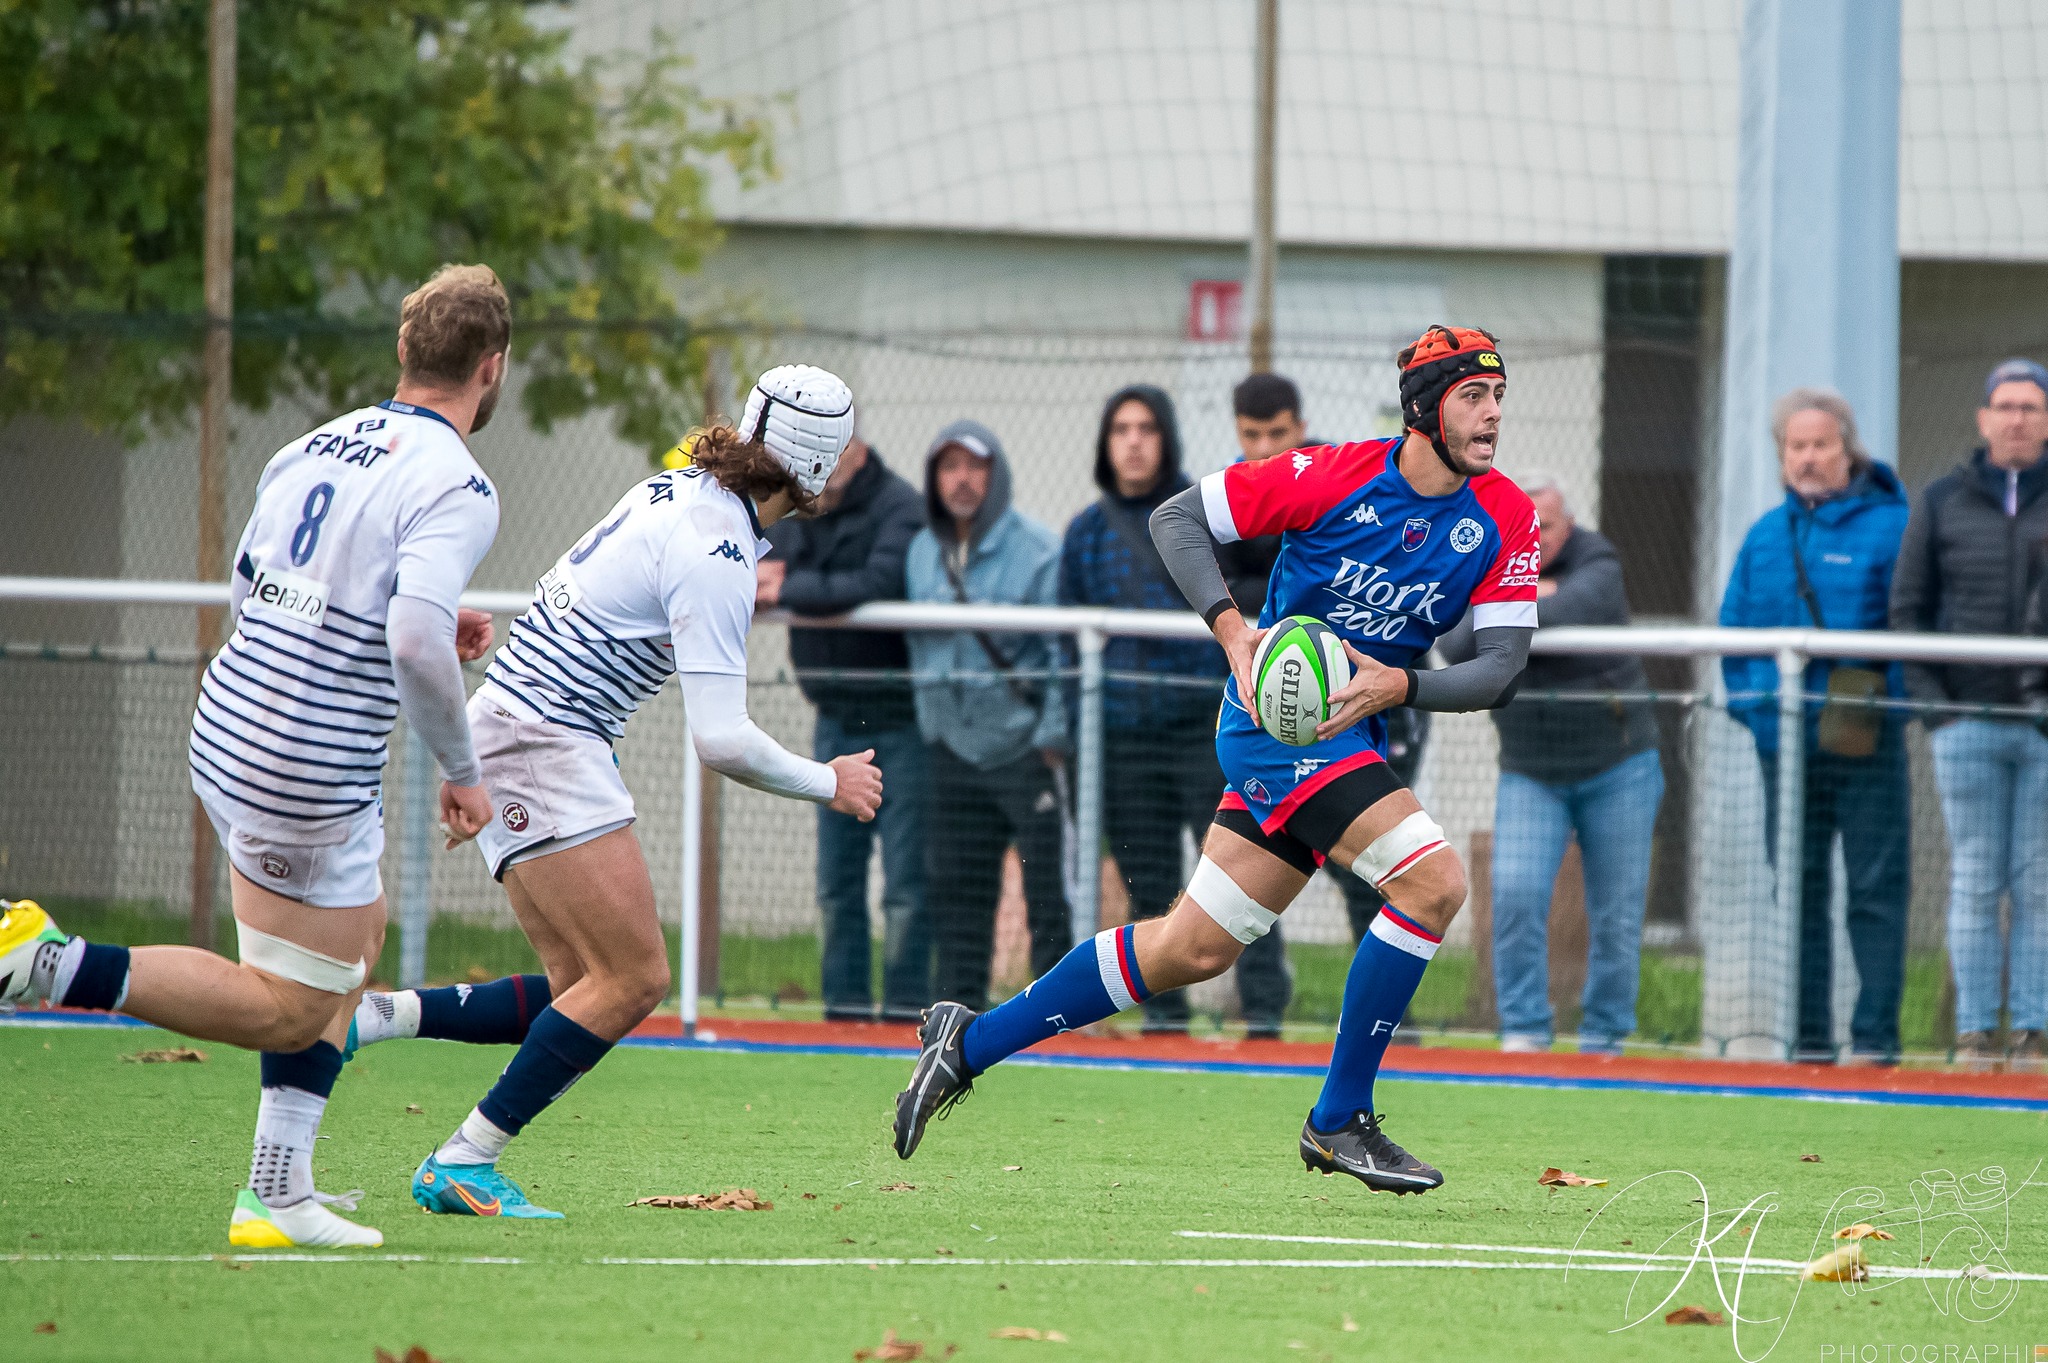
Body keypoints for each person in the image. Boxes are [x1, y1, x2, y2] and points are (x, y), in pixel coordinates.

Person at [894, 325, 1539, 1195]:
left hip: (1350, 735)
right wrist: (1233, 629)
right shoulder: (1329, 473)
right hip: (1275, 729)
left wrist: (1403, 688)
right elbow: (1178, 518)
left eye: (1498, 396)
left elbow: (1500, 668)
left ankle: (966, 1042)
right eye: (1472, 396)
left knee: (1191, 950)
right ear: (1425, 409)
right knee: (1434, 883)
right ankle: (1339, 1118)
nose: (1492, 413)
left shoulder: (1507, 514)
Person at [0, 265, 513, 1248]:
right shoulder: (456, 479)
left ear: (404, 353)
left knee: (357, 940)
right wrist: (460, 769)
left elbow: (264, 585)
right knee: (290, 1006)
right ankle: (48, 961)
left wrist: (415, 623)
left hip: (235, 722)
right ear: (491, 368)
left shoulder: (310, 445)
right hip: (304, 763)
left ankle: (278, 1192)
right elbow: (410, 637)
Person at [348, 366, 883, 1218]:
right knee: (633, 978)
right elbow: (721, 738)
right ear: (817, 469)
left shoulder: (685, 485)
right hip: (544, 738)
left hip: (516, 726)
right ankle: (464, 1156)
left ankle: (372, 1019)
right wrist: (832, 781)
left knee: (578, 984)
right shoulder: (721, 548)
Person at [1058, 384, 1289, 1037]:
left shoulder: (1204, 513)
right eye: (1121, 428)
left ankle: (1265, 1016)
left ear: (1166, 438)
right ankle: (1163, 1020)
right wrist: (1068, 731)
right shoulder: (1086, 532)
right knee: (1150, 878)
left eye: (1146, 428)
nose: (1133, 440)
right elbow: (1063, 638)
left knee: (1243, 878)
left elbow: (1260, 583)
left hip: (1207, 728)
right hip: (1123, 736)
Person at [1443, 472, 1662, 1055]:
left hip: (1619, 765)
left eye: (1546, 528)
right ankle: (1523, 1033)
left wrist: (1506, 603)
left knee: (1615, 914)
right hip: (1530, 768)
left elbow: (1584, 608)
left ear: (1568, 525)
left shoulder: (1600, 560)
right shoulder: (1479, 557)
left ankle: (1605, 1040)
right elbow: (1458, 644)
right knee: (1515, 897)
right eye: (1523, 530)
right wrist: (1532, 596)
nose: (1534, 541)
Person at [1724, 389, 1910, 1064]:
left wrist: (1885, 705)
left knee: (1875, 889)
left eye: (1820, 444)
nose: (1807, 457)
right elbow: (1734, 634)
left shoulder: (1892, 526)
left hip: (1867, 741)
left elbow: (1911, 625)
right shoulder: (1765, 536)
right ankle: (1807, 1041)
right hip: (1787, 748)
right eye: (1795, 446)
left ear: (1846, 449)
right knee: (1797, 891)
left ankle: (1876, 1040)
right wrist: (1757, 712)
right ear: (1782, 455)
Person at [1216, 371, 1429, 949]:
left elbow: (1357, 582)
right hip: (1269, 717)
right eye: (1250, 435)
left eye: (1277, 433)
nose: (1263, 449)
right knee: (1220, 922)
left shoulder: (1339, 483)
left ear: (1302, 428)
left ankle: (1387, 1020)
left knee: (1383, 876)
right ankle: (1262, 1023)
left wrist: (1287, 603)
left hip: (1372, 709)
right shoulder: (1237, 493)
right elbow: (1224, 580)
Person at [1891, 359, 2048, 1070]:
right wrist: (1938, 710)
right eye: (2005, 405)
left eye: (2030, 406)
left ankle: (2035, 1032)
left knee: (2039, 877)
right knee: (1978, 874)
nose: (2017, 417)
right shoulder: (1943, 499)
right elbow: (1908, 610)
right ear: (1985, 418)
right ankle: (1977, 1032)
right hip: (1967, 723)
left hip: (2042, 728)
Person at [761, 421, 930, 1022]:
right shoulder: (802, 503)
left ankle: (909, 1016)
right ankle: (845, 1015)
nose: (816, 470)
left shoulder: (902, 507)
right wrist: (788, 582)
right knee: (837, 885)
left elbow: (877, 583)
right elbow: (764, 565)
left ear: (857, 451)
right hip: (833, 721)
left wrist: (791, 587)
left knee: (907, 886)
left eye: (828, 457)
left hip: (902, 724)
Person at [905, 421, 1070, 1012]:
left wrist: (1051, 736)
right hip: (949, 750)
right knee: (955, 892)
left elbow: (1062, 656)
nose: (962, 479)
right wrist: (933, 727)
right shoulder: (921, 552)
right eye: (949, 467)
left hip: (1024, 750)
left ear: (995, 475)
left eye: (975, 466)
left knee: (1047, 892)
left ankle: (1059, 1017)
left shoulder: (1040, 550)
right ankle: (956, 1021)